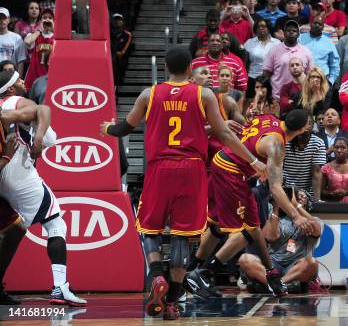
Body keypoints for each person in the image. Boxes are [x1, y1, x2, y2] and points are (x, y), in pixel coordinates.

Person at [100, 47, 258, 318]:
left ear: (165, 67)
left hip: (160, 168)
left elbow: (125, 127)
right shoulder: (203, 94)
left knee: (149, 228)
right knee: (183, 235)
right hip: (192, 169)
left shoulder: (149, 94)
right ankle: (172, 301)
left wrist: (108, 129)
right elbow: (225, 134)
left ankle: (157, 274)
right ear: (190, 69)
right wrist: (254, 161)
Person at [183, 110, 312, 298]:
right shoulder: (277, 146)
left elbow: (250, 128)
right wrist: (296, 216)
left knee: (222, 226)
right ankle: (204, 274)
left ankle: (191, 270)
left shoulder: (269, 118)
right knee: (246, 231)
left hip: (221, 162)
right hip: (231, 171)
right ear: (302, 130)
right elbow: (275, 189)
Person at [0, 71, 86, 307]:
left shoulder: (11, 107)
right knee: (55, 223)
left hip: (3, 174)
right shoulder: (15, 101)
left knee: (14, 230)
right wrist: (38, 139)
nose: (23, 83)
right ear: (9, 89)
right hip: (15, 171)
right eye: (18, 80)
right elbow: (44, 111)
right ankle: (60, 287)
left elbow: (42, 113)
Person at [238, 187, 321, 292]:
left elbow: (317, 230)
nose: (295, 198)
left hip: (295, 265)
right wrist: (276, 206)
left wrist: (296, 205)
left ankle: (276, 285)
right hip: (273, 263)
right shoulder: (275, 217)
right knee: (245, 259)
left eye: (301, 196)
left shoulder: (312, 219)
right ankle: (281, 285)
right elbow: (270, 237)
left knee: (312, 263)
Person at [263, 20, 313, 100]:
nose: (291, 32)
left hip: (301, 98)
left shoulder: (306, 51)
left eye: (294, 31)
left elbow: (310, 75)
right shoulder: (274, 50)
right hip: (278, 98)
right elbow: (266, 73)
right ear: (284, 33)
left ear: (299, 34)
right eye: (288, 30)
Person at [321, 138, 348, 203]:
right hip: (332, 205)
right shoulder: (326, 168)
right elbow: (321, 191)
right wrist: (331, 193)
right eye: (336, 147)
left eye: (343, 148)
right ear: (333, 149)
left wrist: (346, 192)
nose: (339, 150)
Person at [23, 9, 54, 91]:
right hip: (34, 77)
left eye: (50, 18)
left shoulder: (57, 38)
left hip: (50, 78)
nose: (47, 20)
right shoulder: (35, 35)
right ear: (40, 21)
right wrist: (39, 30)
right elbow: (27, 41)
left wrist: (54, 29)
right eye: (44, 17)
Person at [0, 8, 26, 77]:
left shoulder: (17, 38)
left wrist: (18, 79)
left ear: (8, 20)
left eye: (4, 18)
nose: (2, 20)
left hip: (11, 77)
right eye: (0, 18)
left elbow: (20, 61)